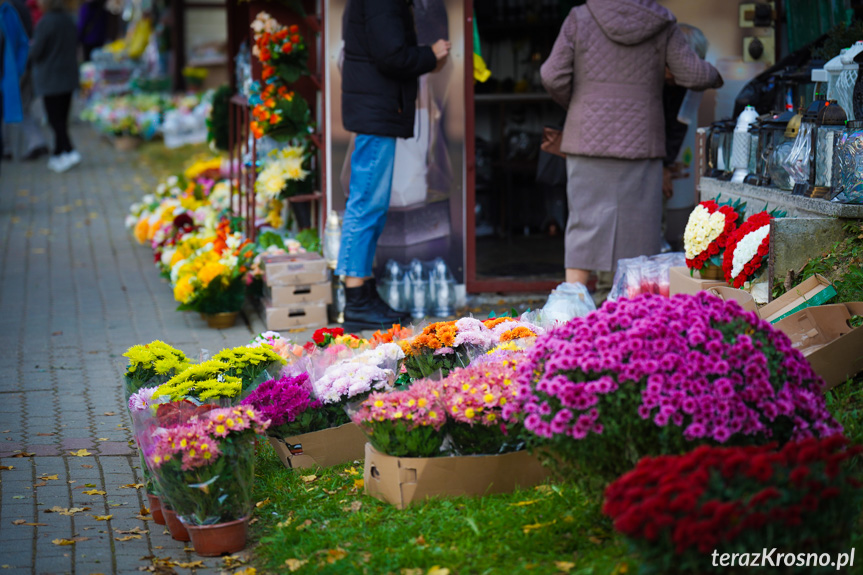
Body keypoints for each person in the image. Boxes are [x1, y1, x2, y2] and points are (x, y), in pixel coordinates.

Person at [540, 0, 722, 288]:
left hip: (586, 139)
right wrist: (716, 75)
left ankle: (572, 309)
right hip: (641, 142)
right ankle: (631, 315)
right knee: (639, 233)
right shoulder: (662, 21)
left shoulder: (580, 17)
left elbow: (552, 75)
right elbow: (691, 74)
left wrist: (580, 106)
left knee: (583, 227)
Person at [338, 0, 450, 329]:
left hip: (376, 110)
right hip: (376, 112)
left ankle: (363, 290)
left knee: (369, 204)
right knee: (366, 205)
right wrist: (431, 54)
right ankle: (357, 299)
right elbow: (391, 56)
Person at [30, 0, 79, 173]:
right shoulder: (68, 19)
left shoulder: (45, 22)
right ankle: (59, 153)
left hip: (51, 77)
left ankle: (69, 150)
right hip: (68, 74)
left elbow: (36, 51)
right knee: (62, 118)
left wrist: (29, 49)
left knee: (54, 119)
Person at [0, 0, 30, 175]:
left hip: (6, 75)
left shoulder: (9, 13)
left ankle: (6, 147)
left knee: (5, 115)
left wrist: (18, 69)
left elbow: (22, 42)